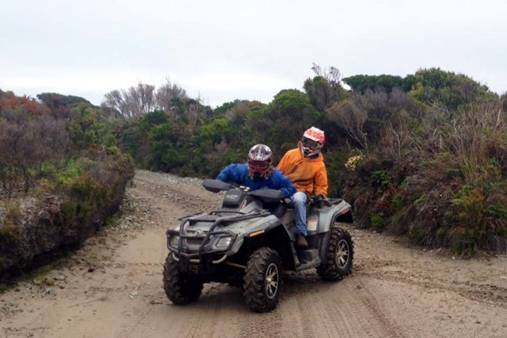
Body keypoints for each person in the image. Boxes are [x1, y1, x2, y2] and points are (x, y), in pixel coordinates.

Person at [277, 127, 328, 248]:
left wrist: (320, 194)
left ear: (318, 145)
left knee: (299, 200)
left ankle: (301, 233)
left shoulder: (319, 165)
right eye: (306, 141)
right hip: (284, 187)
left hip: (301, 190)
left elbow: (321, 184)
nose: (307, 145)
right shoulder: (291, 154)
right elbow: (278, 171)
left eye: (311, 143)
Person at [217, 144, 296, 198]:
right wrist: (218, 182)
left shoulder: (276, 177)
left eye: (262, 165)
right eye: (254, 164)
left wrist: (280, 193)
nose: (257, 168)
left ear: (269, 164)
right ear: (248, 162)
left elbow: (291, 188)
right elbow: (227, 171)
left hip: (267, 208)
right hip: (243, 204)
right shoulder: (240, 170)